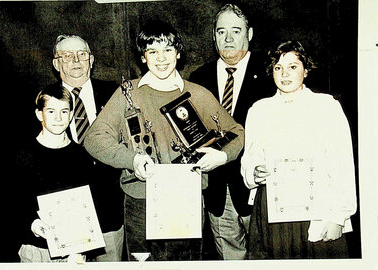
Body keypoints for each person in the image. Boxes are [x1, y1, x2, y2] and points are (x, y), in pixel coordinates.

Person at [84, 20, 245, 261]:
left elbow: (237, 133)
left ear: (178, 53)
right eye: (152, 51)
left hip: (187, 199)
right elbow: (94, 138)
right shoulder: (128, 93)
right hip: (141, 202)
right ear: (142, 57)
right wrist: (132, 159)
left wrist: (220, 156)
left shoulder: (198, 94)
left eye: (168, 50)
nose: (161, 58)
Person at [240, 40, 357, 259]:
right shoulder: (259, 110)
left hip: (318, 211)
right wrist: (255, 171)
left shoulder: (327, 106)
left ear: (305, 70)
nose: (284, 74)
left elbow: (342, 165)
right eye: (278, 68)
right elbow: (250, 159)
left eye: (292, 67)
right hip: (272, 211)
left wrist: (338, 217)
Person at [189, 3, 274, 260]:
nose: (228, 38)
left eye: (236, 31)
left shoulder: (272, 72)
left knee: (268, 258)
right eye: (221, 31)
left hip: (259, 188)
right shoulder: (197, 77)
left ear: (249, 34)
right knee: (229, 259)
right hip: (216, 192)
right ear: (213, 36)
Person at [52, 34, 124, 261]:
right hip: (64, 209)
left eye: (82, 54)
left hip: (110, 209)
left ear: (91, 60)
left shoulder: (117, 93)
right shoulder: (44, 100)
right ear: (56, 63)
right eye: (67, 55)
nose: (75, 61)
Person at [14, 85, 94, 262]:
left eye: (64, 111)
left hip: (75, 251)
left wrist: (81, 247)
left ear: (71, 114)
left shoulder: (82, 156)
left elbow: (88, 206)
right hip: (36, 250)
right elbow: (12, 203)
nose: (58, 118)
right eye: (51, 111)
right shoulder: (22, 156)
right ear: (38, 114)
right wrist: (33, 224)